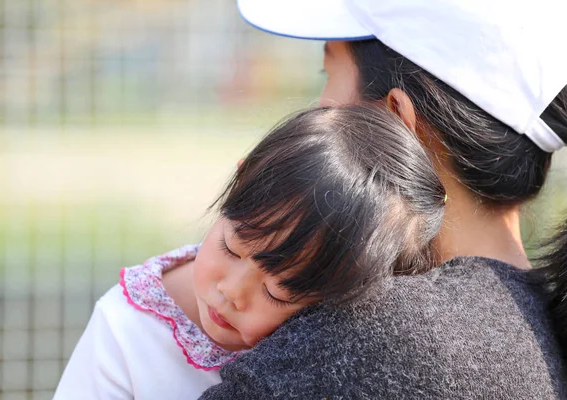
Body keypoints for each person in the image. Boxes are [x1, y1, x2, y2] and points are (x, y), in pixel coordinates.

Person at [199, 0, 567, 398]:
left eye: (329, 75)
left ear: (398, 123)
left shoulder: (365, 337)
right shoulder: (539, 328)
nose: (317, 109)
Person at [52, 105, 446, 399]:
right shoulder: (125, 331)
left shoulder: (350, 346)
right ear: (240, 180)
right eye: (231, 246)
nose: (232, 291)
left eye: (277, 291)